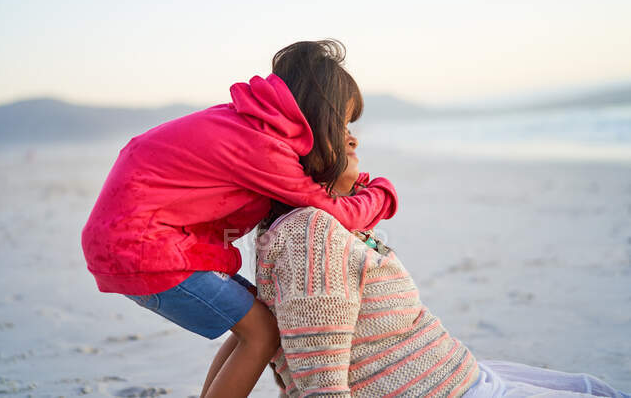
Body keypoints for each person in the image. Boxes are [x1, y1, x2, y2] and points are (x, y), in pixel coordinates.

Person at [80, 40, 398, 398]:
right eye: (341, 121)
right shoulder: (264, 146)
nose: (346, 135)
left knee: (258, 322)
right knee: (261, 333)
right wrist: (381, 192)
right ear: (320, 113)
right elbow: (333, 211)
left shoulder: (250, 123)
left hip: (135, 240)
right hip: (144, 248)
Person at [253, 129, 631, 397]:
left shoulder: (328, 224)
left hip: (455, 375)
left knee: (595, 389)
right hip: (445, 388)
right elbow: (321, 382)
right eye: (339, 128)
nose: (353, 139)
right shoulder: (309, 233)